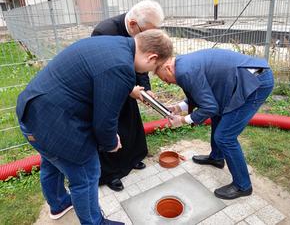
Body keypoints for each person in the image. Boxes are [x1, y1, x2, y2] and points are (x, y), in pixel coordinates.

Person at [16, 29, 173, 225]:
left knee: (51, 162)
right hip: (56, 125)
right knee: (86, 174)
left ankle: (59, 204)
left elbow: (96, 77)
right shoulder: (122, 67)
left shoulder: (113, 43)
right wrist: (110, 143)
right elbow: (104, 121)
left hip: (32, 113)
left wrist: (129, 90)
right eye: (153, 67)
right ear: (152, 57)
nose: (146, 72)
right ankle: (95, 222)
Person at [155, 48, 274, 200]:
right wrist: (178, 108)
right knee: (218, 116)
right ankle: (216, 158)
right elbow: (202, 94)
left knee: (225, 137)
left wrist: (183, 120)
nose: (167, 82)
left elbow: (209, 107)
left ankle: (243, 186)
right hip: (242, 78)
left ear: (168, 68)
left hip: (256, 82)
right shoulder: (182, 64)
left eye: (165, 79)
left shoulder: (184, 71)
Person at [91, 0, 164, 191]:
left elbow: (142, 66)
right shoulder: (104, 32)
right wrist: (129, 88)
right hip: (107, 90)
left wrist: (145, 89)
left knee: (132, 125)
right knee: (111, 129)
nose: (149, 37)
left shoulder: (140, 31)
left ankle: (133, 159)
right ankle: (110, 174)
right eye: (147, 32)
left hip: (130, 87)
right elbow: (103, 71)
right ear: (132, 25)